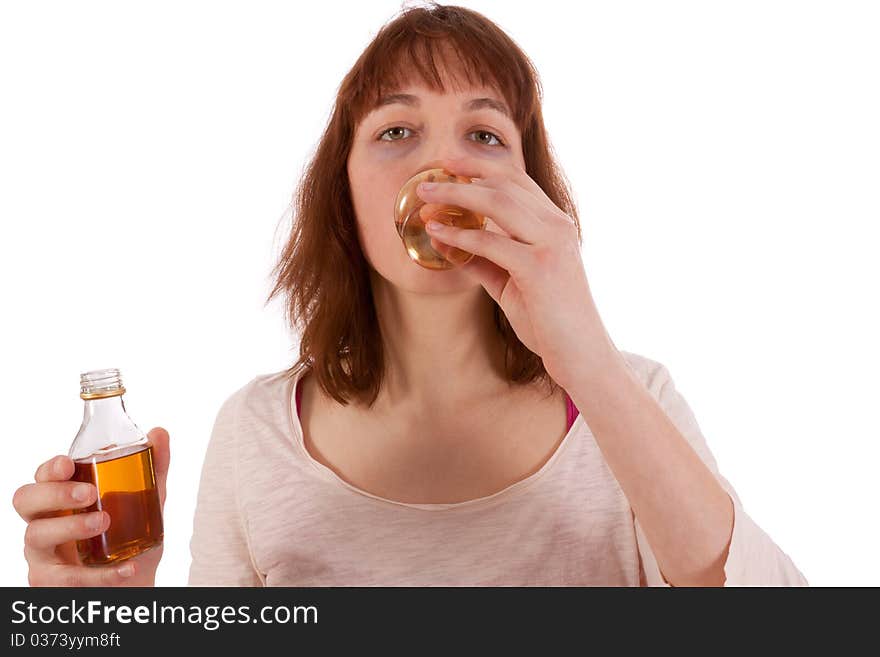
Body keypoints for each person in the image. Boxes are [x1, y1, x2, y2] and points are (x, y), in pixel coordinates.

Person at [12, 2, 807, 587]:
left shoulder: (631, 399)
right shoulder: (252, 433)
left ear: (531, 191)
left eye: (485, 135)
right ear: (345, 195)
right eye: (396, 132)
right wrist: (102, 617)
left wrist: (586, 354)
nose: (443, 171)